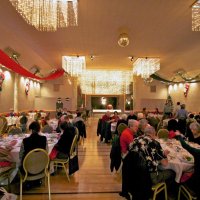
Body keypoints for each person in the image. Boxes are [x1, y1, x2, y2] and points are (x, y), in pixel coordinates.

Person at [175, 131, 200, 199]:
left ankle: (177, 192)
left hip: (195, 185)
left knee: (182, 177)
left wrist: (179, 136)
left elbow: (186, 146)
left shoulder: (198, 152)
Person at [119, 119, 139, 199]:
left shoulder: (129, 132)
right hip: (127, 156)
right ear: (130, 126)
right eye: (136, 126)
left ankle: (126, 191)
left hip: (127, 154)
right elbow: (134, 148)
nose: (137, 128)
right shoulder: (127, 134)